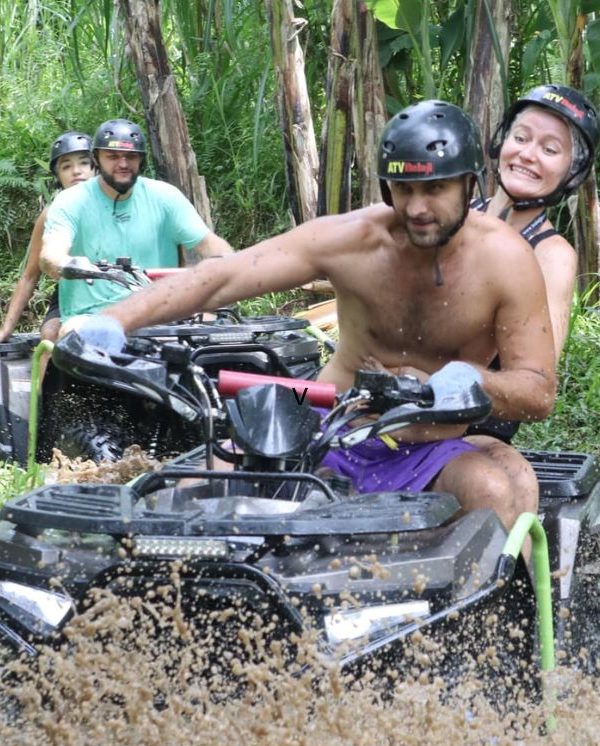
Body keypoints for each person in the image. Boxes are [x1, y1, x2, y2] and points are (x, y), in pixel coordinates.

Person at [66, 100, 557, 533]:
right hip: (331, 424)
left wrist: (465, 382)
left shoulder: (507, 261)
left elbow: (537, 390)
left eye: (436, 189)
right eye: (403, 189)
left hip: (429, 447)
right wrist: (113, 321)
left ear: (470, 183)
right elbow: (222, 277)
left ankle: (460, 630)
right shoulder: (352, 240)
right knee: (203, 479)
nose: (418, 207)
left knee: (499, 485)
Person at [469, 83, 599, 442]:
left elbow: (536, 384)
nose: (528, 154)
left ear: (571, 173)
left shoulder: (552, 255)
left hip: (475, 426)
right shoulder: (456, 215)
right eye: (521, 138)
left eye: (550, 149)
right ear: (501, 143)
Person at [39, 118, 233, 320]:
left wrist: (232, 265)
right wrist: (63, 263)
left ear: (141, 160)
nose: (123, 164)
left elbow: (208, 243)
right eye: (112, 156)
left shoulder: (165, 196)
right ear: (96, 158)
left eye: (131, 156)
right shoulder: (71, 200)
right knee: (72, 334)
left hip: (161, 313)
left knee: (218, 330)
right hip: (92, 315)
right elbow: (51, 251)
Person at [0, 131, 95, 343]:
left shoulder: (117, 203)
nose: (76, 171)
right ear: (58, 175)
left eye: (84, 163)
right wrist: (6, 328)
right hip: (70, 294)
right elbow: (30, 275)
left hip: (115, 288)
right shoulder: (52, 213)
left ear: (96, 167)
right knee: (51, 334)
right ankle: (44, 377)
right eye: (66, 166)